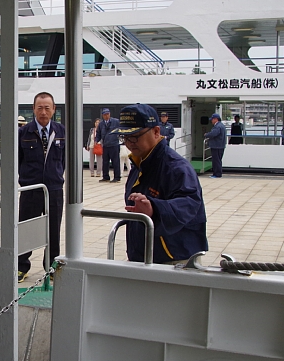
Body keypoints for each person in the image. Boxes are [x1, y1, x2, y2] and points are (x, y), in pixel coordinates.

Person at [113, 104, 208, 264]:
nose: (129, 143)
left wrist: (154, 209)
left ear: (156, 131)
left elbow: (189, 203)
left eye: (135, 136)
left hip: (174, 258)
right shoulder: (140, 163)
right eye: (125, 137)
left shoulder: (176, 167)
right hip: (144, 256)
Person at [17, 92, 66, 283]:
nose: (43, 112)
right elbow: (18, 161)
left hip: (54, 190)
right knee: (26, 228)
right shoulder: (24, 133)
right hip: (30, 190)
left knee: (53, 229)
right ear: (33, 109)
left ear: (54, 109)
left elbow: (63, 161)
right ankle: (21, 266)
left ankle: (51, 266)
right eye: (40, 108)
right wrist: (26, 180)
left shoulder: (61, 132)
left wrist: (56, 177)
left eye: (47, 108)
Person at [96, 107, 122, 183]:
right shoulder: (101, 124)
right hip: (105, 145)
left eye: (107, 114)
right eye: (105, 114)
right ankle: (105, 177)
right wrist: (96, 140)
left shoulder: (116, 121)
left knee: (115, 162)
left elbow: (121, 129)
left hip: (114, 145)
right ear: (102, 115)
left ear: (109, 114)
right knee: (105, 162)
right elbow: (98, 133)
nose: (106, 116)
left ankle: (117, 177)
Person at [204, 113, 226, 178]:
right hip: (220, 146)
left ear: (216, 119)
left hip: (216, 146)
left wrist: (206, 134)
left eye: (212, 119)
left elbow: (213, 134)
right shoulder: (221, 125)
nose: (211, 121)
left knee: (216, 160)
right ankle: (217, 173)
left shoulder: (217, 126)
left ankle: (217, 174)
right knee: (218, 160)